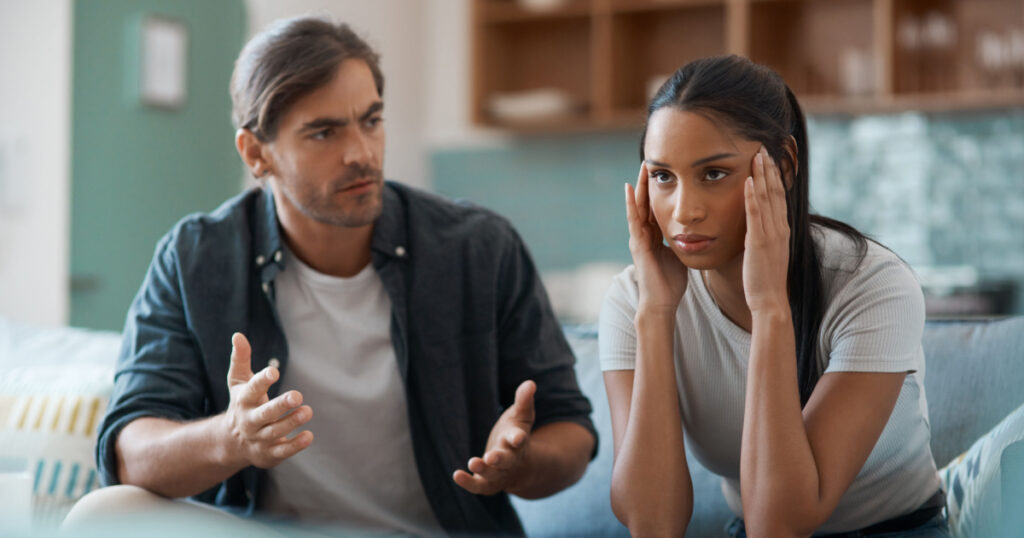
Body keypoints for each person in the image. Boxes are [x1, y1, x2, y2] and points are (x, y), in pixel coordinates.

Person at [68, 16, 596, 536]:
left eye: (371, 120)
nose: (361, 154)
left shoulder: (479, 248)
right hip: (264, 530)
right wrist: (231, 439)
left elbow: (570, 430)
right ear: (256, 153)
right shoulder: (195, 257)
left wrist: (520, 463)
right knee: (100, 516)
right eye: (323, 132)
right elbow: (128, 451)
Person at [600, 55, 949, 537]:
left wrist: (769, 308)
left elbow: (781, 522)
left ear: (783, 165)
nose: (684, 212)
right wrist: (656, 314)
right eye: (663, 177)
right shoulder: (635, 298)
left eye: (714, 174)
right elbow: (652, 524)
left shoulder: (871, 284)